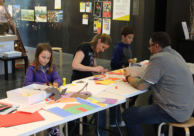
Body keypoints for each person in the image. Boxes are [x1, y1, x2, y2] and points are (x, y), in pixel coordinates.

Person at [123, 32, 194, 136]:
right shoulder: (176, 55)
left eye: (149, 46)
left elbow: (142, 86)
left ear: (156, 46)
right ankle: (160, 133)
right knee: (151, 99)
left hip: (173, 112)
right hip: (187, 109)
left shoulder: (158, 58)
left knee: (128, 115)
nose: (149, 49)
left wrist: (128, 77)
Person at [71, 33, 111, 136]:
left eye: (104, 49)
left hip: (87, 82)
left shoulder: (92, 51)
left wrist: (100, 70)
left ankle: (100, 131)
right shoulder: (84, 47)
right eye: (103, 47)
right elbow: (75, 65)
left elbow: (94, 67)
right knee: (98, 102)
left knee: (101, 101)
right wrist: (94, 69)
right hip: (79, 83)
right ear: (99, 40)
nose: (102, 50)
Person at [24, 43, 62, 136]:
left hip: (49, 97)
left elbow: (58, 78)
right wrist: (41, 85)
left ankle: (53, 129)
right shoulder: (31, 68)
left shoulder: (52, 67)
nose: (46, 60)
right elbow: (26, 84)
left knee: (57, 112)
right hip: (37, 98)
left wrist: (57, 82)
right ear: (37, 55)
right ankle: (51, 129)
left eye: (48, 58)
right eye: (43, 57)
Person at [109, 25, 136, 128]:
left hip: (125, 75)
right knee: (115, 98)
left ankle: (125, 107)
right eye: (129, 37)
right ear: (123, 36)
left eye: (132, 38)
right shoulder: (118, 48)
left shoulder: (129, 47)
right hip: (117, 76)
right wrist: (127, 61)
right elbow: (113, 64)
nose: (131, 40)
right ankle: (114, 120)